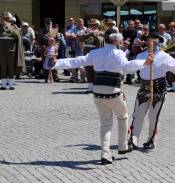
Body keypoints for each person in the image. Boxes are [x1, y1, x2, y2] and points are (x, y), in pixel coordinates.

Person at [54, 32, 152, 165]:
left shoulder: (95, 53)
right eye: (121, 41)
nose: (123, 43)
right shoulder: (119, 53)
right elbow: (127, 67)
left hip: (98, 92)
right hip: (113, 91)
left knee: (105, 123)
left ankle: (105, 154)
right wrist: (144, 62)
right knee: (123, 117)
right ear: (116, 42)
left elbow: (76, 61)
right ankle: (123, 146)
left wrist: (56, 63)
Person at [128, 32, 175, 150]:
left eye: (154, 39)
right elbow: (132, 67)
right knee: (138, 114)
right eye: (149, 39)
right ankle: (133, 138)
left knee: (154, 116)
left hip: (159, 88)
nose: (151, 42)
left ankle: (151, 140)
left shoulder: (164, 56)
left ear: (158, 41)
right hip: (144, 88)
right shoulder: (141, 55)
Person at [0, 12, 25, 90]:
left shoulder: (14, 27)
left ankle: (11, 85)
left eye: (8, 19)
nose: (6, 20)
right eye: (5, 19)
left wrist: (10, 28)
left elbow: (17, 36)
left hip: (11, 51)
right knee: (3, 67)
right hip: (1, 51)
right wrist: (2, 28)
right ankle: (3, 85)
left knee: (11, 67)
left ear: (10, 20)